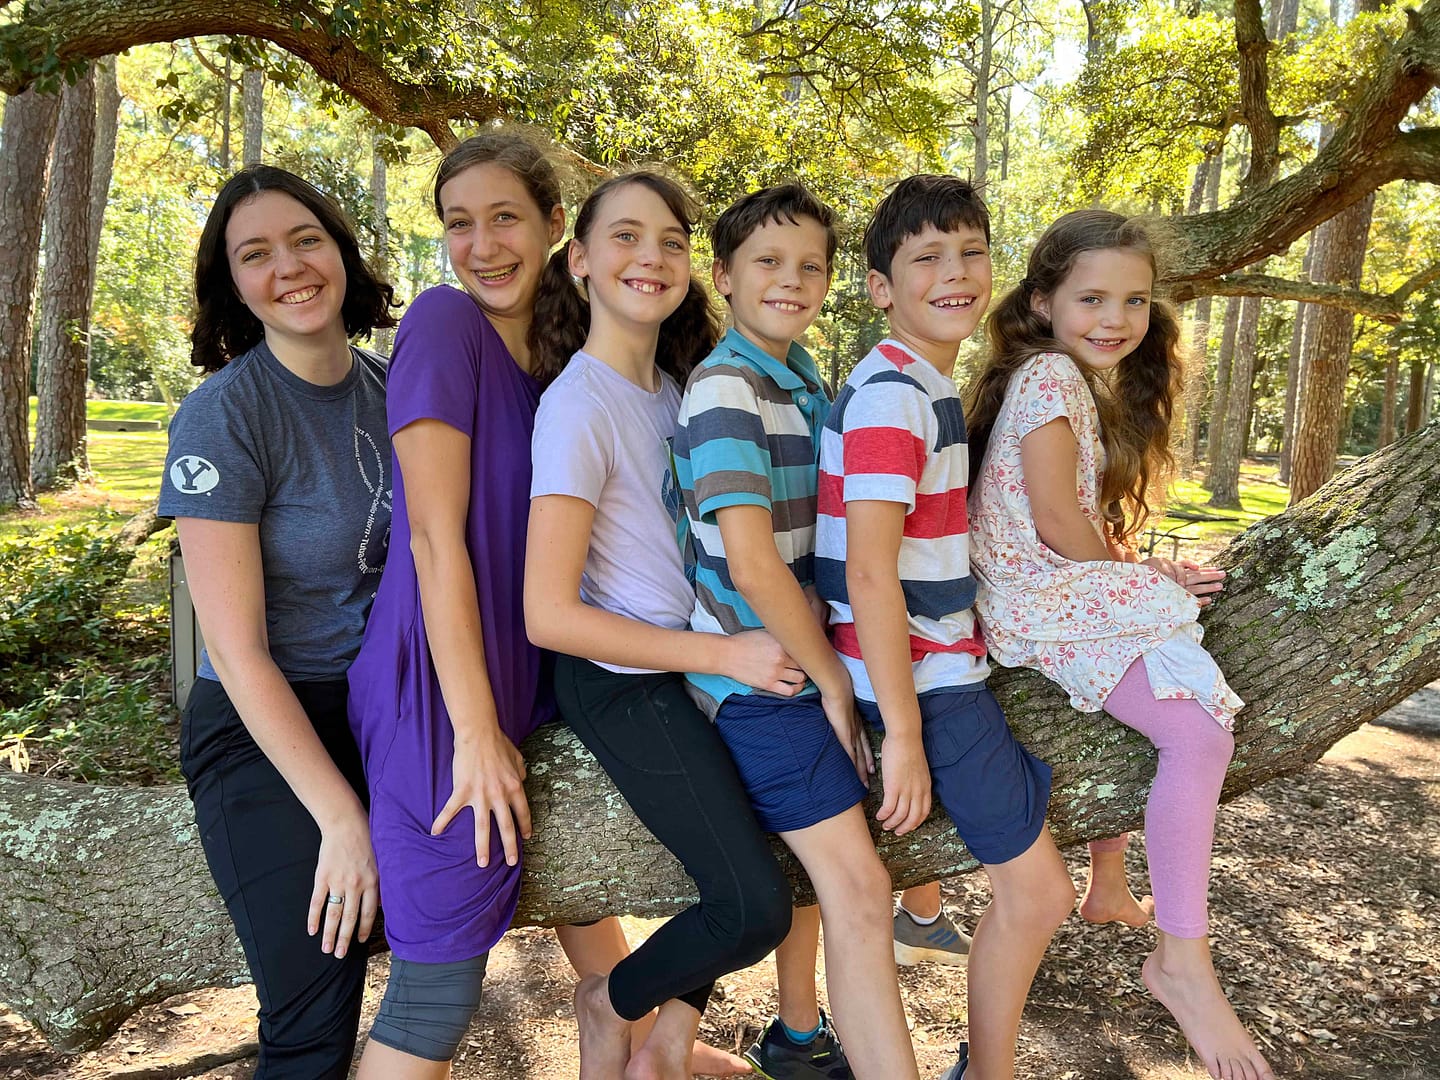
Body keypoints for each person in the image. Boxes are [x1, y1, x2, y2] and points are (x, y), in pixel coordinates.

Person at [346, 135, 751, 1079]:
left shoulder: (565, 360)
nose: (481, 245)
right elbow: (436, 541)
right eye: (458, 223)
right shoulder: (445, 325)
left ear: (553, 227)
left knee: (606, 877)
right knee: (438, 991)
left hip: (540, 678)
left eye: (504, 219)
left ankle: (647, 1047)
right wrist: (476, 732)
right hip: (439, 691)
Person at [965, 208, 1274, 1080]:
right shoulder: (1053, 376)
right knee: (1197, 731)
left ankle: (1109, 885)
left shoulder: (1057, 379)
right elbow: (1060, 524)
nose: (1115, 318)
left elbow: (1065, 514)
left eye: (1134, 301)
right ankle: (1182, 961)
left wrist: (1133, 569)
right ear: (1043, 302)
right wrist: (1142, 580)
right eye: (1091, 297)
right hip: (1039, 595)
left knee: (1143, 681)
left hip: (1040, 590)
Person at [524, 171, 796, 1080]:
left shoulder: (683, 390)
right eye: (626, 238)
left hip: (696, 666)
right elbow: (549, 613)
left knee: (767, 847)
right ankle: (610, 1002)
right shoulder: (576, 406)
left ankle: (669, 1048)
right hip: (622, 678)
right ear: (581, 262)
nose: (652, 256)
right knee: (753, 907)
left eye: (671, 241)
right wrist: (723, 653)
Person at [815, 175, 1078, 1080]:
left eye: (971, 252)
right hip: (925, 683)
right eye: (925, 257)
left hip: (934, 669)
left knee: (1039, 890)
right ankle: (990, 1070)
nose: (955, 273)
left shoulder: (915, 385)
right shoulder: (894, 395)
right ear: (881, 287)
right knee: (1040, 892)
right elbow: (867, 570)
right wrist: (907, 735)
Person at [672, 182, 919, 1080]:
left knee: (838, 877)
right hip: (762, 679)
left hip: (808, 656)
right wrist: (832, 683)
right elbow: (752, 566)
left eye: (809, 265)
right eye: (767, 262)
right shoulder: (727, 390)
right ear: (724, 276)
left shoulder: (807, 378)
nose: (791, 279)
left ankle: (801, 1035)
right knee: (861, 888)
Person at [159, 164, 398, 1079]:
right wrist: (341, 818)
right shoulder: (225, 415)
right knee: (315, 1006)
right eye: (255, 254)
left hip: (378, 704)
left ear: (339, 250)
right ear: (234, 285)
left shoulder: (392, 389)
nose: (290, 267)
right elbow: (236, 648)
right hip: (260, 723)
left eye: (306, 239)